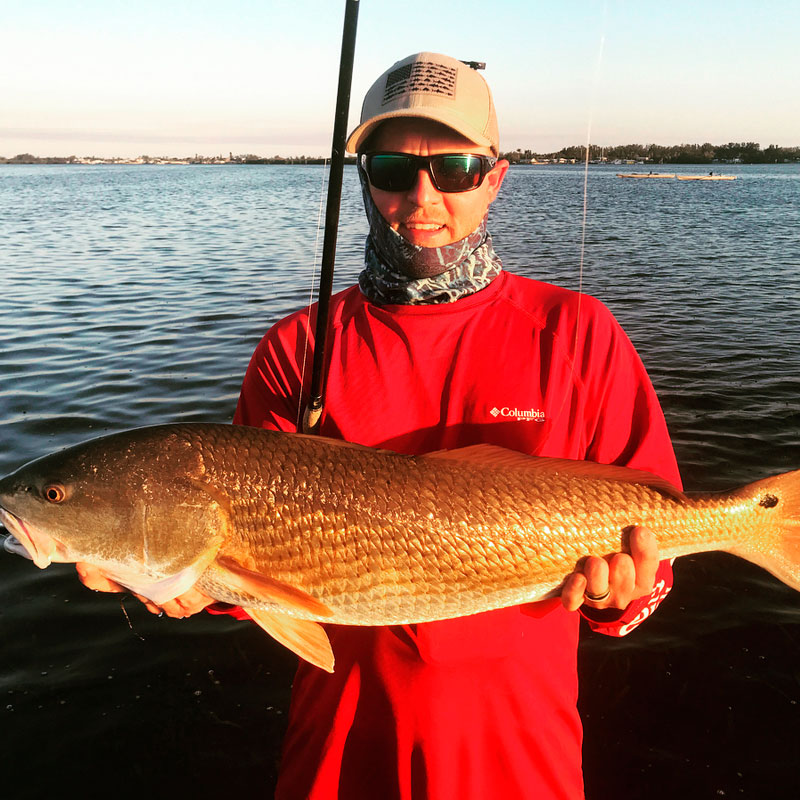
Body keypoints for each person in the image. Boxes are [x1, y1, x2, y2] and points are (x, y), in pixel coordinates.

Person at [78, 52, 681, 799]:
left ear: (495, 179)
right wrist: (190, 583)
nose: (422, 194)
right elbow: (248, 574)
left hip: (520, 751)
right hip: (338, 747)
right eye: (393, 167)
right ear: (366, 179)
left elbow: (661, 547)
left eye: (455, 167)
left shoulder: (578, 332)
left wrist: (619, 596)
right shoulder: (296, 348)